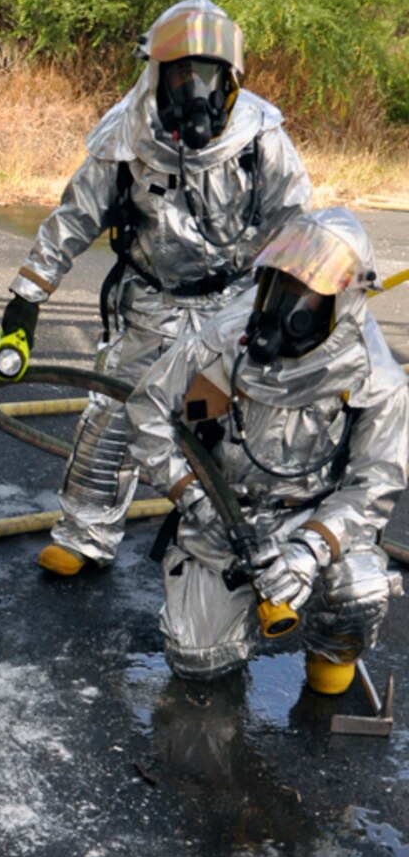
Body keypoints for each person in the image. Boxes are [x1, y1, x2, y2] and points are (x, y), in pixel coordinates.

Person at [0, 0, 313, 576]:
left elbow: (297, 225)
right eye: (182, 74)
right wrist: (28, 295)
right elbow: (75, 217)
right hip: (149, 303)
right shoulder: (125, 137)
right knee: (111, 414)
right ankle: (85, 533)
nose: (197, 91)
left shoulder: (261, 138)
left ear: (232, 80)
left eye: (210, 76)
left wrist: (289, 307)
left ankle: (222, 540)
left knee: (227, 426)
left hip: (234, 308)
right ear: (157, 75)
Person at [126, 207, 409, 689]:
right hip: (221, 513)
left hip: (312, 515)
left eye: (305, 294)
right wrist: (193, 498)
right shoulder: (224, 337)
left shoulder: (376, 378)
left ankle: (330, 649)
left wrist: (308, 550)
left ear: (343, 302)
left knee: (356, 589)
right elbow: (149, 408)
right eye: (279, 283)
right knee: (199, 661)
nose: (283, 305)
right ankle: (228, 609)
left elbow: (374, 484)